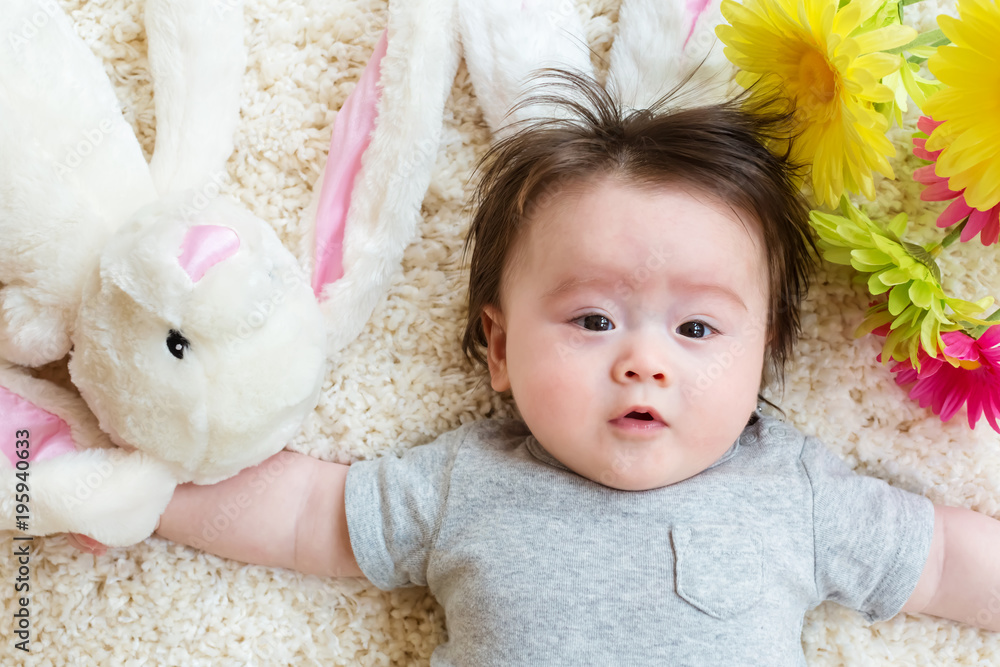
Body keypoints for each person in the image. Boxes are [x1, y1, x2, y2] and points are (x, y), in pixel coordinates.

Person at [85, 71, 1000, 663]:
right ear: (500, 348)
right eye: (594, 319)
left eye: (697, 330)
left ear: (765, 352)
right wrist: (135, 494)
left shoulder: (796, 489)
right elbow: (303, 516)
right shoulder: (463, 483)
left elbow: (950, 562)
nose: (644, 360)